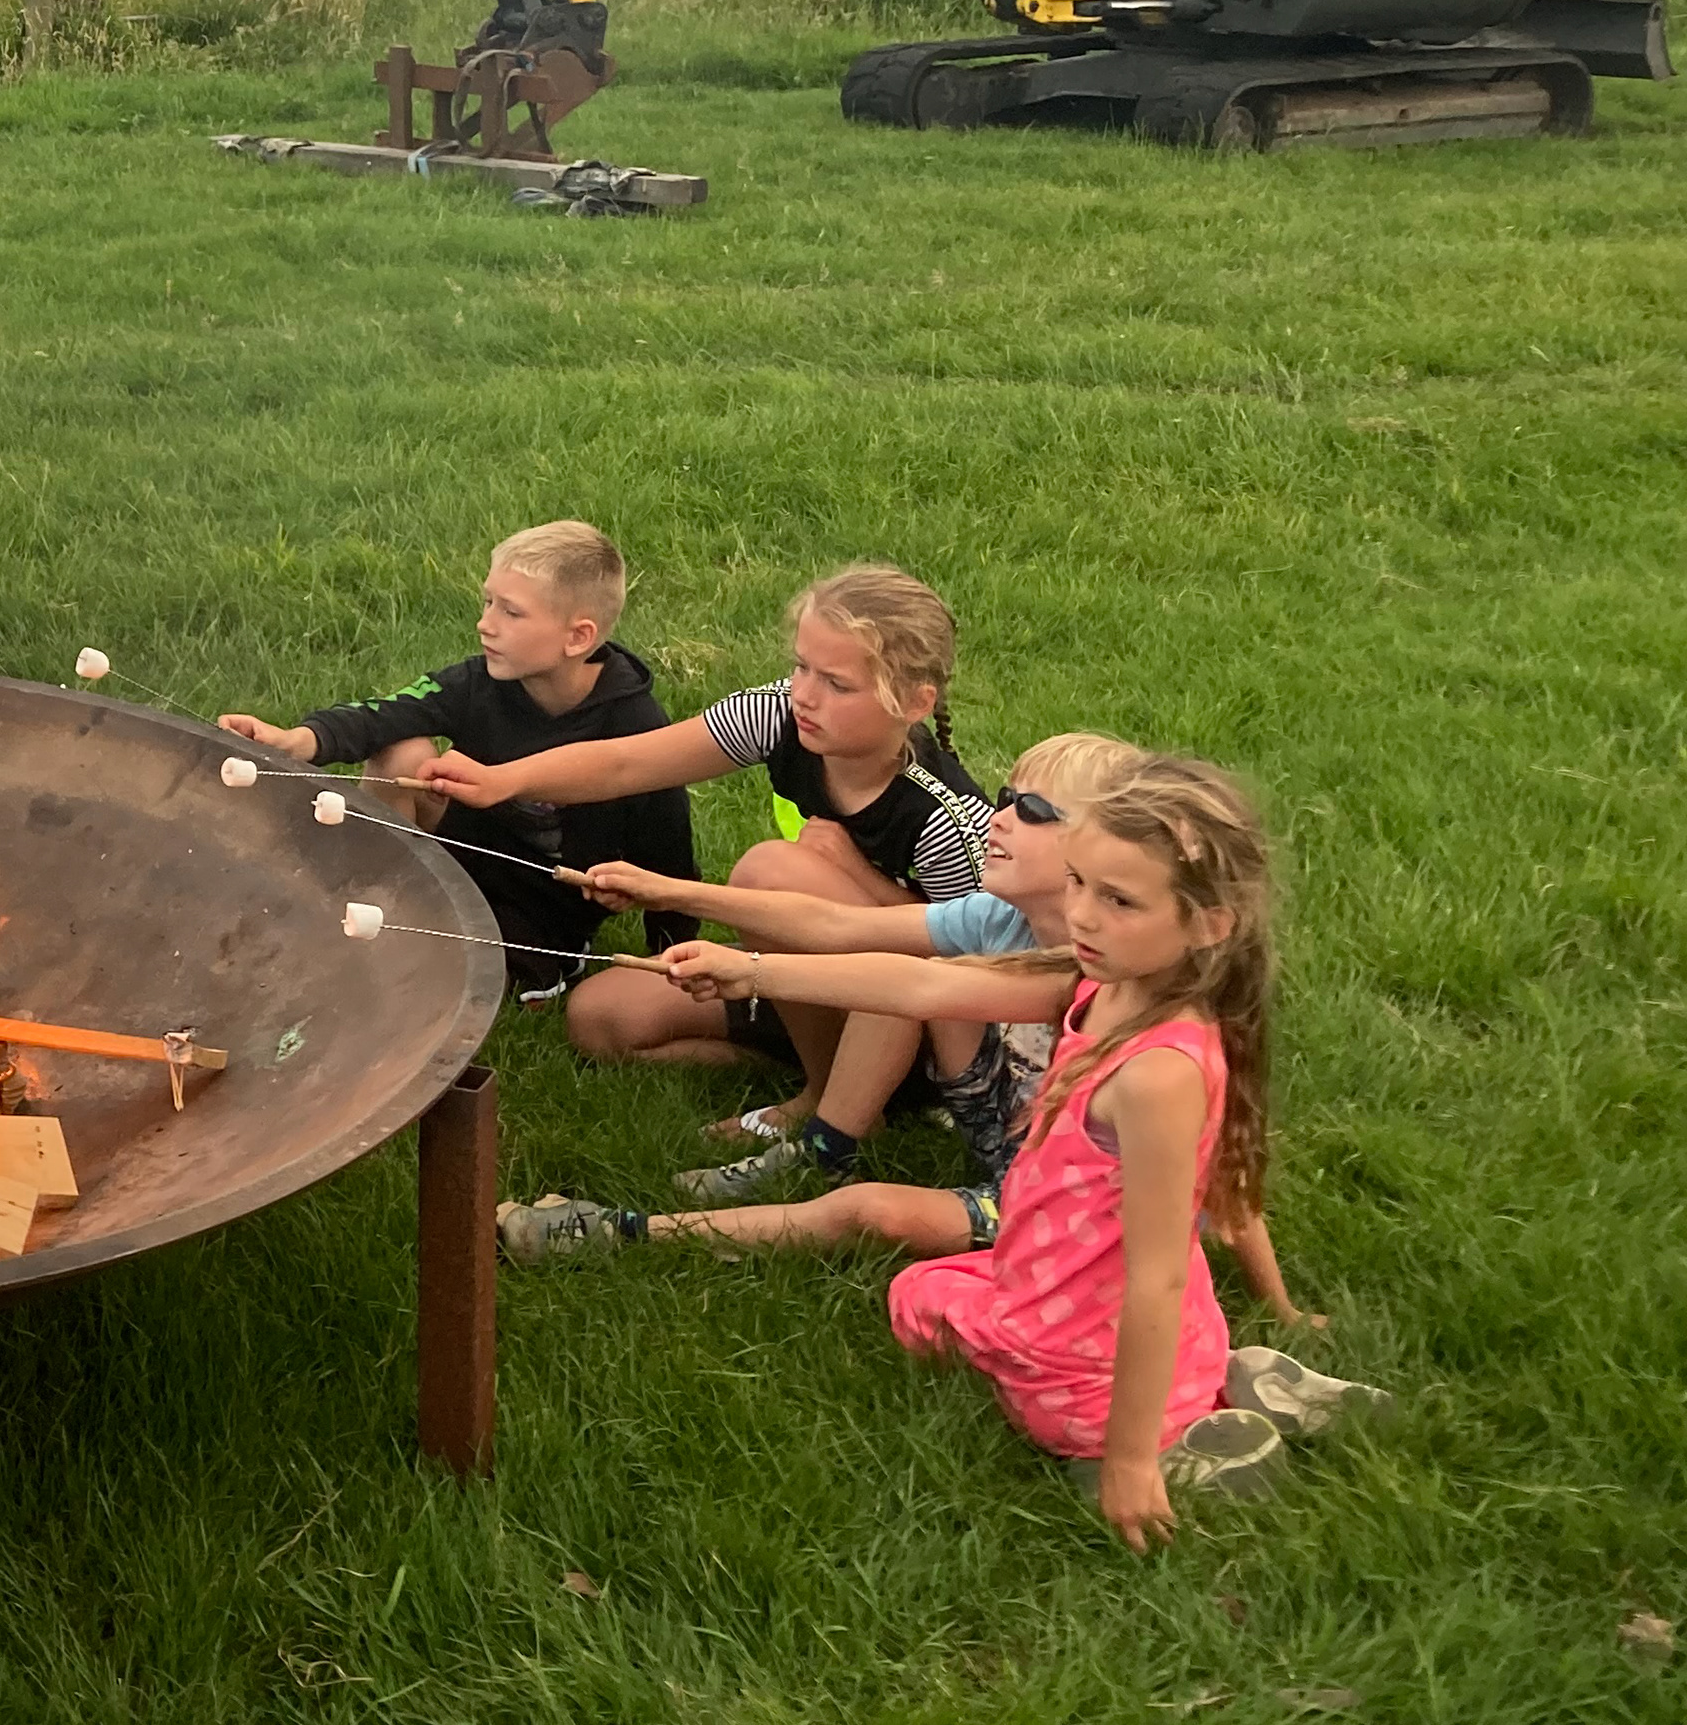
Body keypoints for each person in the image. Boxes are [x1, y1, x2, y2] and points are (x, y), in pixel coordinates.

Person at [659, 760, 1344, 1546]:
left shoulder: (1160, 1072)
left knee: (930, 1315)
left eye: (1119, 900)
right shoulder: (1106, 980)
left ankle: (1163, 1448)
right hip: (1096, 1297)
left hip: (1085, 1361)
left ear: (1212, 922)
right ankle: (1215, 1376)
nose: (1082, 914)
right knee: (927, 1292)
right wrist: (750, 968)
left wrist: (1126, 1465)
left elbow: (1157, 1273)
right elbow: (925, 989)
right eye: (1081, 883)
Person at [500, 737, 1192, 1259]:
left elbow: (920, 984)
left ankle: (624, 1232)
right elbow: (839, 926)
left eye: (1032, 811)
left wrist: (755, 973)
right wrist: (667, 890)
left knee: (867, 1211)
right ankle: (825, 1134)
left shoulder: (1093, 967)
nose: (1000, 818)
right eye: (1006, 798)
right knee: (913, 958)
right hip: (1003, 1130)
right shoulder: (1000, 918)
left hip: (1057, 1204)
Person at [425, 563, 990, 1122]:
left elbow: (982, 956)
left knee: (771, 871)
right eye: (801, 667)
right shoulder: (782, 711)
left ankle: (831, 1100)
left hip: (909, 1020)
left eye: (837, 684)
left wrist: (855, 874)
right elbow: (628, 761)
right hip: (804, 973)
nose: (806, 696)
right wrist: (505, 780)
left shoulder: (945, 818)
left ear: (915, 703)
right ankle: (808, 1053)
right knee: (601, 1017)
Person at [221, 521, 691, 998]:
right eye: (489, 602)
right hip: (465, 852)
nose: (486, 623)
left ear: (577, 637)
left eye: (511, 612)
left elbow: (668, 848)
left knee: (459, 983)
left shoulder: (636, 726)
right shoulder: (480, 681)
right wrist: (298, 741)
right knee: (402, 751)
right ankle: (379, 897)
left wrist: (670, 952)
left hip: (546, 903)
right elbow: (387, 713)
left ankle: (541, 962)